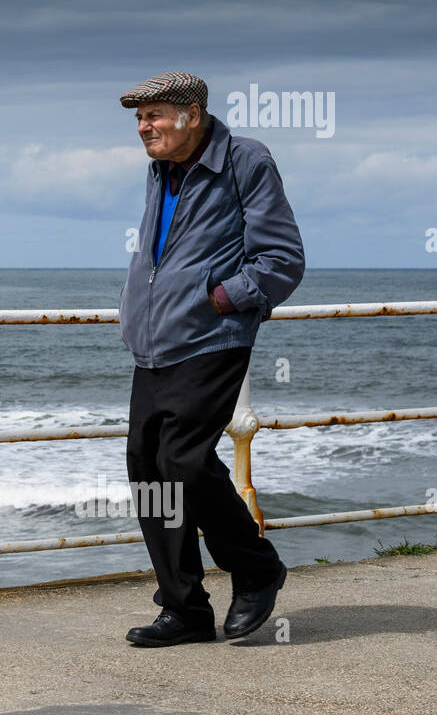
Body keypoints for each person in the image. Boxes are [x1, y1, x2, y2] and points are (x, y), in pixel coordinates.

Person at [116, 71, 305, 646]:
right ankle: (184, 609)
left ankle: (254, 566)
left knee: (183, 461)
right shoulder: (161, 169)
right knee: (149, 469)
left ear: (192, 115)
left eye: (154, 116)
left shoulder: (245, 160)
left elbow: (282, 258)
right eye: (139, 118)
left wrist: (220, 299)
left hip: (211, 338)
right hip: (154, 343)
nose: (144, 127)